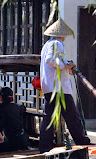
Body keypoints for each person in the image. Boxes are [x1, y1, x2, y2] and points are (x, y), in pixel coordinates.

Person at [39, 18, 91, 152]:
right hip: (59, 88)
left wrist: (66, 65)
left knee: (48, 118)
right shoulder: (57, 43)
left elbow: (52, 60)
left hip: (50, 86)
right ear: (62, 35)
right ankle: (83, 142)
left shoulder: (47, 45)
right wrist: (65, 66)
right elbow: (51, 60)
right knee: (72, 117)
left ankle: (45, 147)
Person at [0, 87, 29, 152]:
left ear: (2, 97)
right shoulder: (16, 107)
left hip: (12, 142)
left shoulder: (1, 109)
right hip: (24, 139)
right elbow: (23, 108)